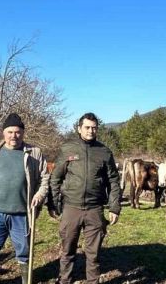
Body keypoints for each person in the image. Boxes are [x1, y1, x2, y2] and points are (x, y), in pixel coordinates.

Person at [0, 113, 50, 284]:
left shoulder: (34, 153)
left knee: (24, 250)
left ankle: (26, 280)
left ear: (23, 133)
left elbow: (45, 178)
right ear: (3, 133)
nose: (13, 136)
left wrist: (39, 195)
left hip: (22, 213)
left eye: (17, 132)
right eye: (10, 132)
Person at [49, 112, 121, 284]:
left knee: (93, 253)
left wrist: (114, 207)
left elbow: (113, 181)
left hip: (95, 209)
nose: (91, 131)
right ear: (79, 128)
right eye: (87, 127)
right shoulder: (67, 148)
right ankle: (65, 280)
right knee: (67, 250)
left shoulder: (104, 152)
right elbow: (55, 178)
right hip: (71, 208)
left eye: (94, 128)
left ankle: (92, 281)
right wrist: (52, 203)